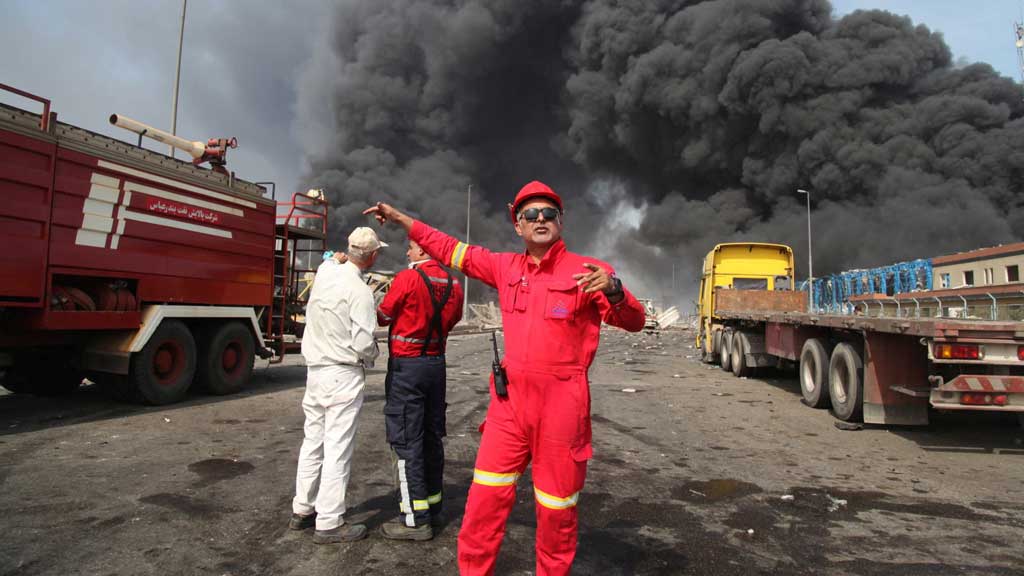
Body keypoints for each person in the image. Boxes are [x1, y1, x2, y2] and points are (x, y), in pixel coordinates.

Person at [364, 181, 646, 575]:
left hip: (562, 410)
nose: (540, 219)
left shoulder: (589, 272)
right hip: (509, 409)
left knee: (556, 510)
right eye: (530, 214)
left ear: (560, 221)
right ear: (518, 225)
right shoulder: (504, 267)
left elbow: (634, 322)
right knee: (483, 503)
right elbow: (448, 248)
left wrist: (615, 291)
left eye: (548, 213)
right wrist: (400, 219)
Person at [289, 226, 386, 544]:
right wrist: (374, 354)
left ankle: (302, 509)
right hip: (343, 374)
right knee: (338, 448)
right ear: (372, 256)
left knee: (312, 442)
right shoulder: (360, 292)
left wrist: (335, 258)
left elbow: (330, 260)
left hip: (315, 372)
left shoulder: (325, 273)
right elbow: (363, 343)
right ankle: (330, 522)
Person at [376, 239, 464, 540]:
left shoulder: (408, 278)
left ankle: (415, 520)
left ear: (424, 251)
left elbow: (383, 315)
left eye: (411, 247)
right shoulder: (454, 284)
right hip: (436, 366)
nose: (407, 252)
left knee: (405, 441)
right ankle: (433, 507)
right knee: (431, 437)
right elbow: (453, 319)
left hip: (407, 369)